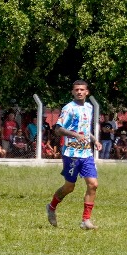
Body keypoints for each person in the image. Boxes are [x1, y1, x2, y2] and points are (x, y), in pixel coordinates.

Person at [45, 80, 99, 230]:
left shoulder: (89, 107)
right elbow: (58, 129)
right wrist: (75, 135)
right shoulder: (68, 108)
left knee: (93, 184)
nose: (79, 92)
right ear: (73, 92)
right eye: (76, 90)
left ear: (87, 92)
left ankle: (86, 220)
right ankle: (51, 207)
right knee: (69, 187)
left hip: (86, 153)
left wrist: (94, 140)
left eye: (82, 89)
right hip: (71, 154)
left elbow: (85, 130)